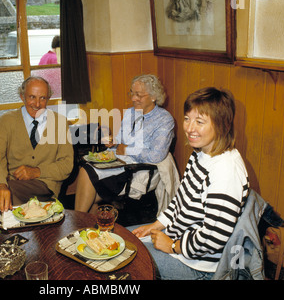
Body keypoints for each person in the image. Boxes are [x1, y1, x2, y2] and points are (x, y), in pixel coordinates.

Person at [129, 87, 250, 280]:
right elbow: (180, 201)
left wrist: (173, 246)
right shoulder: (201, 153)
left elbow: (213, 238)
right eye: (187, 118)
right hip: (179, 240)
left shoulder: (226, 170)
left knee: (125, 261)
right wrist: (156, 225)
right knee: (119, 237)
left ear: (222, 125)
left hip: (201, 266)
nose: (189, 128)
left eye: (199, 122)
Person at [74, 74, 175, 214]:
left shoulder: (164, 119)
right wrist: (112, 141)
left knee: (88, 180)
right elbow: (120, 139)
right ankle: (86, 224)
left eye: (138, 95)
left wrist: (127, 150)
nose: (133, 98)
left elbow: (157, 155)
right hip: (119, 161)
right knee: (86, 168)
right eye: (132, 93)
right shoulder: (130, 113)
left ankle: (79, 222)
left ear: (153, 96)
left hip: (135, 169)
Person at [0, 76, 74, 212]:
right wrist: (0, 185)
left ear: (48, 98)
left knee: (6, 198)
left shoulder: (60, 122)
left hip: (46, 187)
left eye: (43, 98)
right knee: (4, 196)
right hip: (13, 184)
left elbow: (66, 165)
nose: (37, 104)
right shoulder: (6, 121)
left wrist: (37, 172)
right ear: (22, 96)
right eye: (32, 97)